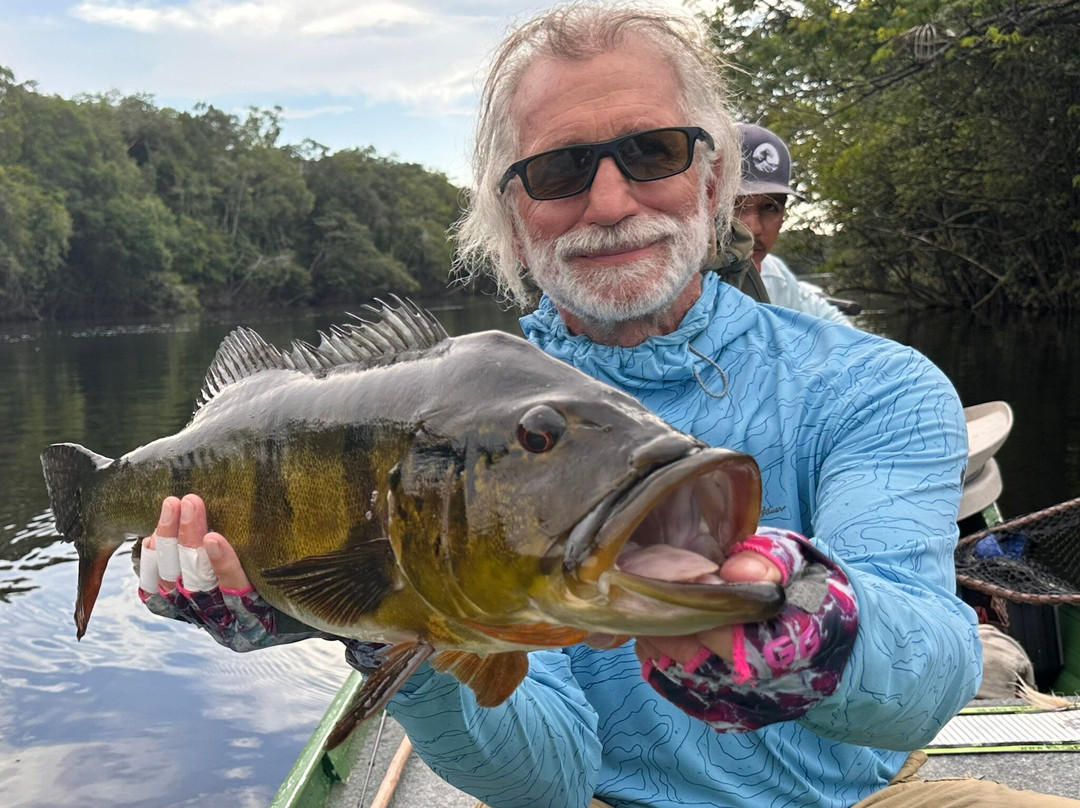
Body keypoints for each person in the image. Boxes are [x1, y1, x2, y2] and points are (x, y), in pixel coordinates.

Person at [137, 4, 1080, 807]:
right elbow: (548, 775)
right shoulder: (468, 435)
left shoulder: (878, 387)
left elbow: (924, 684)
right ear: (512, 215)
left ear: (712, 181)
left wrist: (804, 622)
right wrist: (378, 621)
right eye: (558, 172)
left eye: (653, 151)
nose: (610, 200)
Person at [734, 122, 855, 325]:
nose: (754, 229)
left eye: (769, 207)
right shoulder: (678, 286)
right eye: (735, 204)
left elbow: (834, 324)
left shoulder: (775, 275)